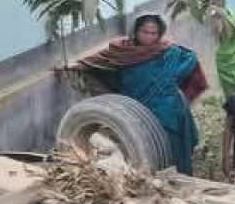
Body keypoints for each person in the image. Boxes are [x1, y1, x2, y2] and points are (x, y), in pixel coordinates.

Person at [78, 13, 209, 174]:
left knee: (172, 150)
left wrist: (171, 78)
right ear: (135, 31)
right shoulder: (123, 50)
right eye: (144, 32)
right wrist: (77, 66)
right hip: (136, 109)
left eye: (153, 33)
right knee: (141, 149)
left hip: (167, 111)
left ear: (159, 34)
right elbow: (97, 61)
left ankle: (180, 181)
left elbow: (190, 59)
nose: (149, 37)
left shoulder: (169, 52)